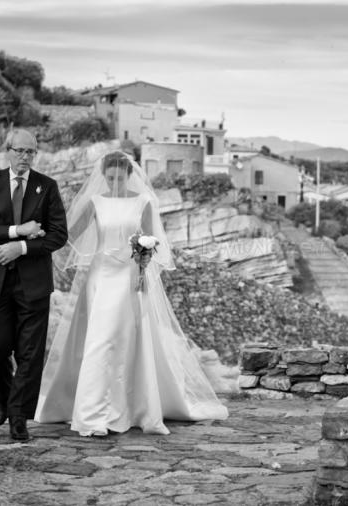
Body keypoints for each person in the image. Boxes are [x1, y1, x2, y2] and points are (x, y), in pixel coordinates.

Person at [34, 150, 228, 436]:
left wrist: (144, 256)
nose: (113, 183)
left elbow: (154, 240)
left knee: (126, 341)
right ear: (103, 176)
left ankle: (128, 407)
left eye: (118, 178)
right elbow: (70, 235)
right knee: (100, 340)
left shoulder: (143, 201)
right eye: (109, 178)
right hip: (101, 276)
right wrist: (49, 239)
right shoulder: (95, 202)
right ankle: (91, 415)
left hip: (129, 277)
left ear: (128, 176)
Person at [0, 129, 68, 441]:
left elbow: (58, 234)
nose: (25, 157)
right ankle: (2, 395)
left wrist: (23, 248)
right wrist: (17, 232)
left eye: (31, 152)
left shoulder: (47, 187)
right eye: (20, 151)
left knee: (29, 353)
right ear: (7, 150)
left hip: (33, 283)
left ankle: (18, 416)